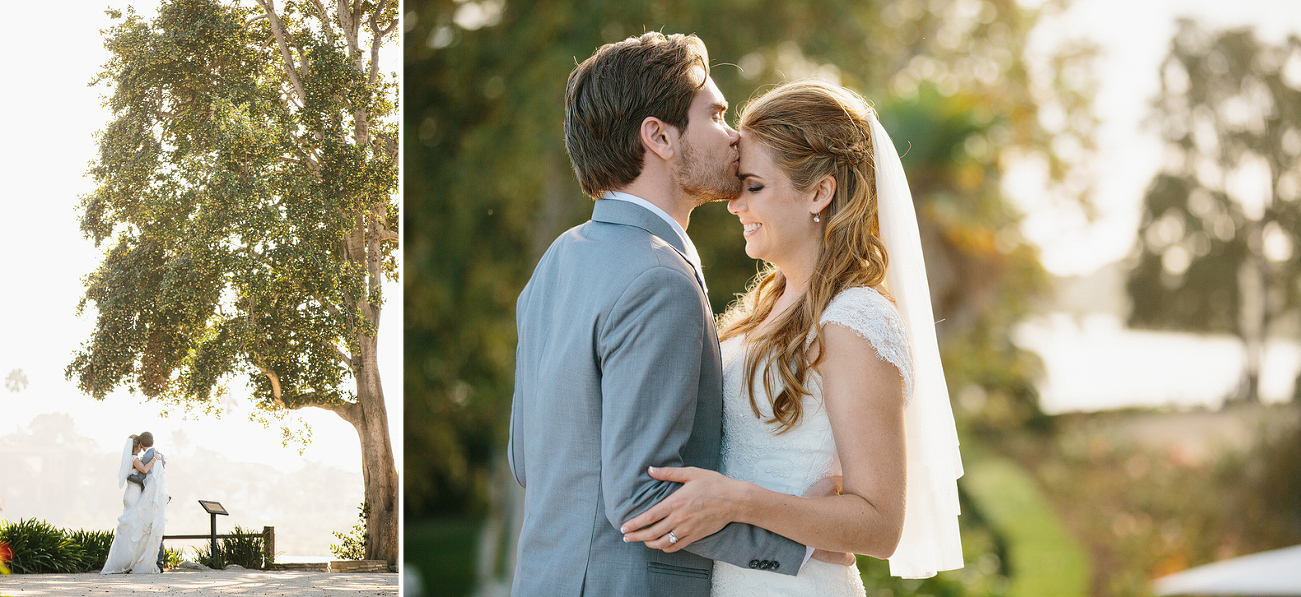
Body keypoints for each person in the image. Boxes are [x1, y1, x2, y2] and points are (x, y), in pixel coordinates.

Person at [507, 33, 846, 596]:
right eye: (714, 114)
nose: (735, 134)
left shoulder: (558, 261)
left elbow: (529, 460)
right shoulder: (658, 278)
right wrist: (798, 543)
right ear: (659, 137)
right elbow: (642, 500)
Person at [618, 81, 966, 594]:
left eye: (754, 186)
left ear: (819, 192)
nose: (735, 204)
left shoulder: (854, 319)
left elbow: (880, 525)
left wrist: (739, 501)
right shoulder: (760, 310)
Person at [102, 432, 169, 574]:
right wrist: (155, 460)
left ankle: (130, 560)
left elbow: (141, 475)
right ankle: (132, 561)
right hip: (134, 495)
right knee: (137, 527)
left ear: (141, 444)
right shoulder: (142, 458)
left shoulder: (137, 458)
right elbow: (145, 471)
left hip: (133, 494)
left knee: (132, 528)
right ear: (138, 446)